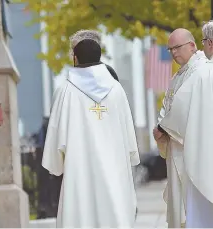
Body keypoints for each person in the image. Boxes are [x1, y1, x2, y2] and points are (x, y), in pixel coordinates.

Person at [42, 29, 140, 227]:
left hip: (80, 171)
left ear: (75, 58)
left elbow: (56, 135)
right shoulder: (116, 89)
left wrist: (56, 164)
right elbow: (129, 136)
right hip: (114, 169)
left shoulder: (66, 90)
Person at [153, 28, 207, 228]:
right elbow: (167, 110)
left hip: (195, 152)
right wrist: (161, 129)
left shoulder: (203, 71)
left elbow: (188, 112)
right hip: (177, 150)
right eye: (170, 49)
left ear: (192, 46)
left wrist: (164, 127)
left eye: (177, 47)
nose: (174, 53)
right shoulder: (177, 77)